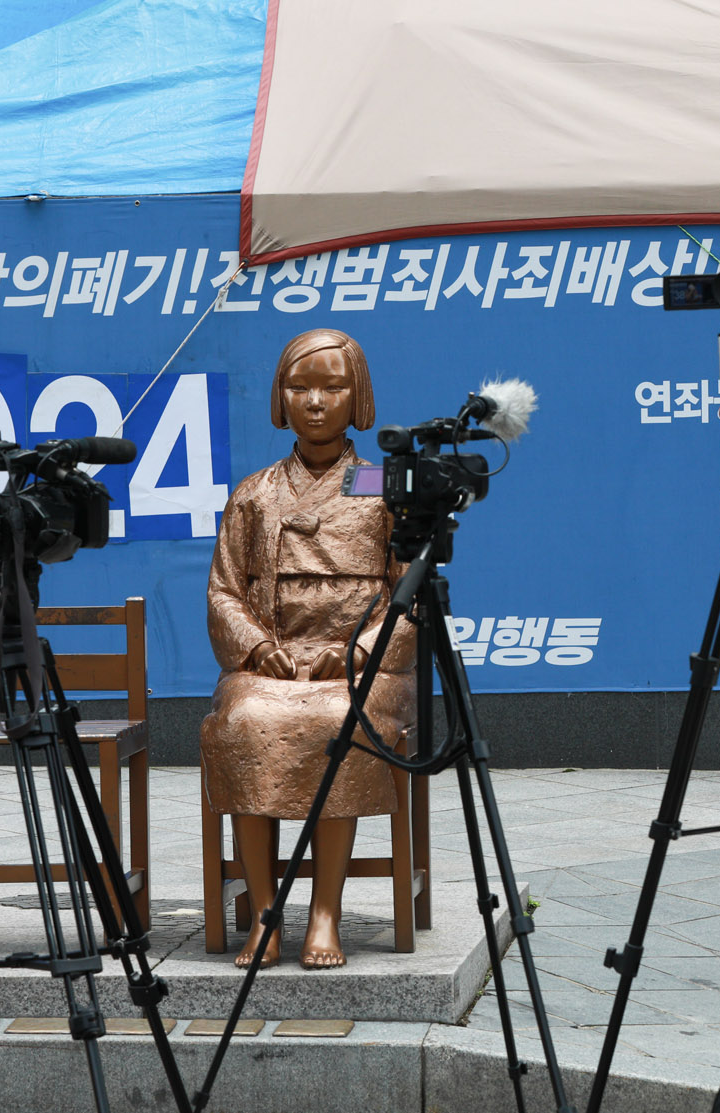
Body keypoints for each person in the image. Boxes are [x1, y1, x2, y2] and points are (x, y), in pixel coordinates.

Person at [200, 328, 416, 968]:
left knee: (333, 721)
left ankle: (326, 911)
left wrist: (356, 654)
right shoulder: (254, 493)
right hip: (270, 666)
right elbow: (224, 591)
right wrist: (258, 646)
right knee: (243, 721)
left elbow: (411, 597)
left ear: (359, 397)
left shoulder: (384, 485)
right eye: (300, 387)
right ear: (280, 397)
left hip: (360, 671)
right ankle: (267, 914)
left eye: (332, 386)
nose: (315, 401)